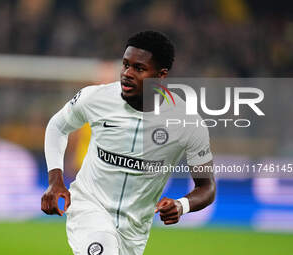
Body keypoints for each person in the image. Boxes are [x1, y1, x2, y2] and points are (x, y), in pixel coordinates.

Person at [41, 31, 216, 255]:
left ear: (160, 75)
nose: (127, 74)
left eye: (139, 69)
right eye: (125, 65)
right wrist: (55, 180)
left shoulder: (187, 122)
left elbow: (207, 187)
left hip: (134, 231)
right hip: (89, 209)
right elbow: (57, 126)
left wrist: (182, 205)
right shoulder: (96, 98)